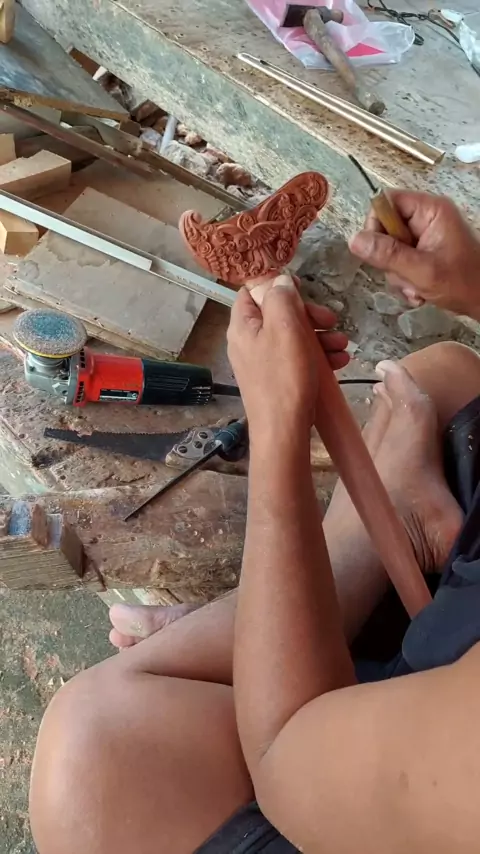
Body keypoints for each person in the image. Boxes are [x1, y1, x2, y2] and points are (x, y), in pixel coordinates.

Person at [30, 190, 480, 854]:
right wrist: (472, 287)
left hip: (351, 779)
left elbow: (291, 761)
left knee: (94, 756)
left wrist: (277, 433)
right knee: (440, 378)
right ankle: (322, 592)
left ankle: (280, 623)